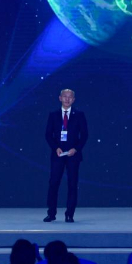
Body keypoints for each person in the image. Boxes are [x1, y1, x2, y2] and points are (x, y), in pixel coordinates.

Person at [44, 89, 88, 223]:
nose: (67, 99)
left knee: (72, 184)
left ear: (73, 100)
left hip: (73, 155)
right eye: (65, 96)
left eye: (70, 97)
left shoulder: (79, 115)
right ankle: (51, 213)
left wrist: (76, 149)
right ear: (60, 98)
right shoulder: (53, 115)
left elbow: (84, 135)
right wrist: (55, 148)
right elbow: (48, 135)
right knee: (53, 183)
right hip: (58, 155)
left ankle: (70, 214)